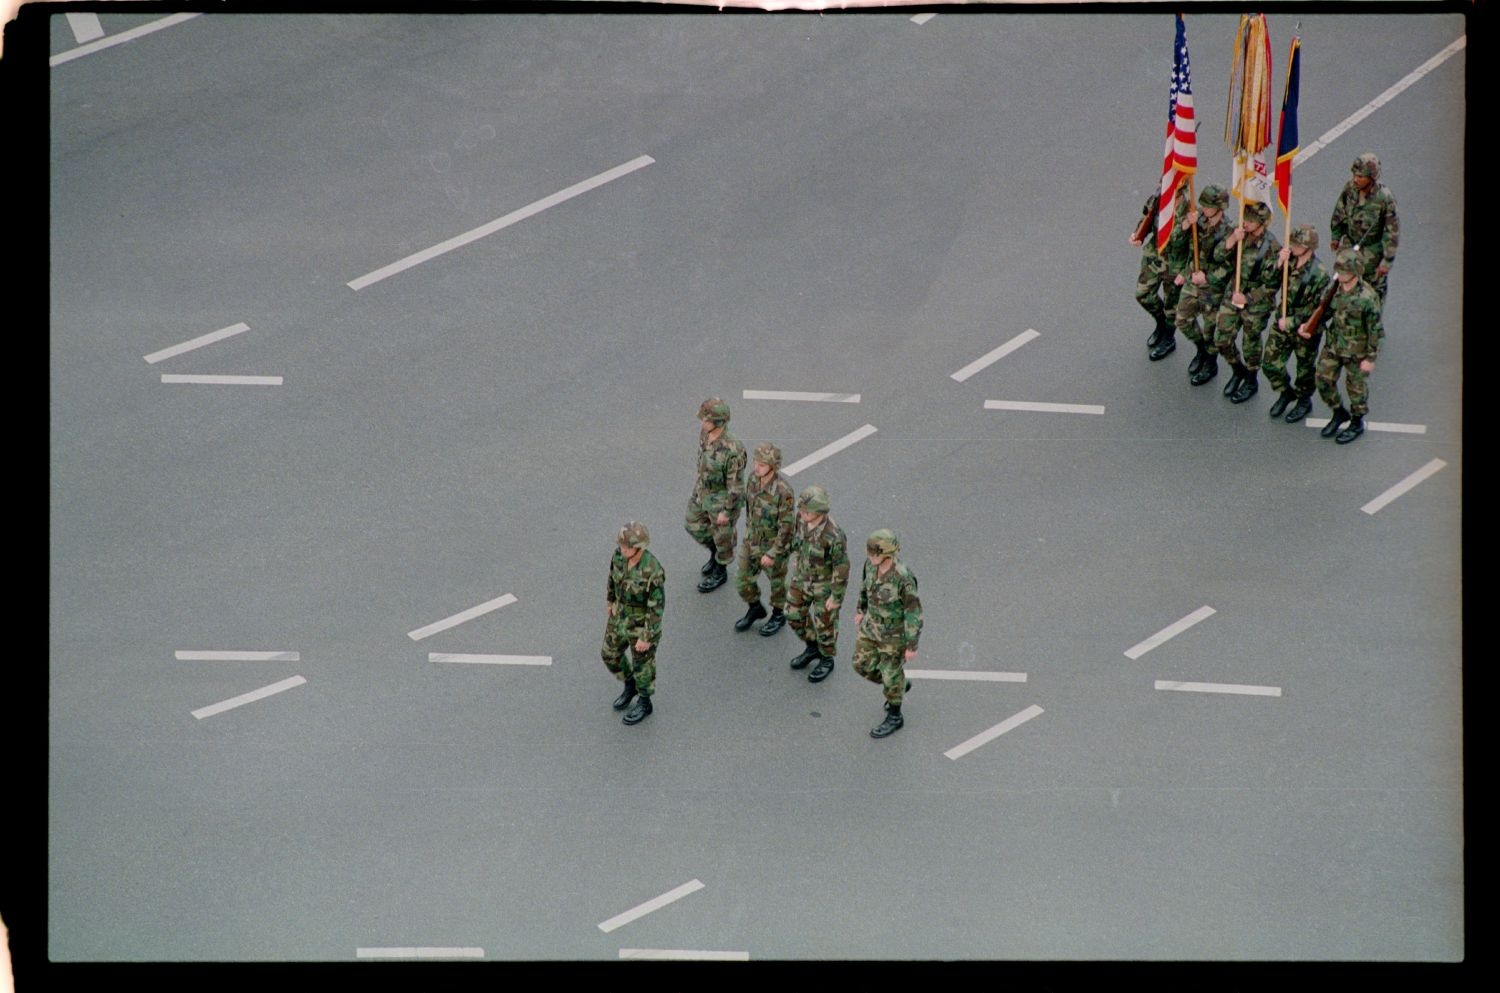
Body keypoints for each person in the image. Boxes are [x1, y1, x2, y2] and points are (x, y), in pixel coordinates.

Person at [853, 529, 923, 740]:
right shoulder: (870, 566)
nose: (870, 557)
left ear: (887, 553)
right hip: (871, 627)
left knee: (890, 673)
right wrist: (861, 609)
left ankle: (895, 715)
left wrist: (911, 645)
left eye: (874, 553)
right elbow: (864, 589)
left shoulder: (903, 577)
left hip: (893, 636)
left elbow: (913, 612)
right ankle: (899, 685)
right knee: (860, 664)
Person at [1212, 199, 1282, 404]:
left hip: (1256, 302)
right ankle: (1238, 370)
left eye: (1251, 220)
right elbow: (1217, 256)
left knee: (1251, 343)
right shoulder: (1238, 232)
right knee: (1222, 339)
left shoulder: (1272, 246)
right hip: (1233, 292)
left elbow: (1272, 285)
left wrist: (1249, 298)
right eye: (1245, 218)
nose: (1246, 223)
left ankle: (1251, 379)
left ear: (1262, 223)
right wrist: (1233, 240)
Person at [1314, 249, 1385, 444]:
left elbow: (1376, 332)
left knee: (1356, 390)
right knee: (1322, 379)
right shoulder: (1334, 289)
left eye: (1345, 270)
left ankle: (1356, 422)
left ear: (1356, 271)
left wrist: (1371, 359)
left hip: (1357, 352)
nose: (1342, 274)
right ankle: (1338, 412)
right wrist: (1308, 326)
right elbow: (1325, 311)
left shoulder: (1367, 298)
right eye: (1340, 270)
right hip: (1334, 345)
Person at [1264, 224, 1333, 422]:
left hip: (1305, 328)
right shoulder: (1288, 261)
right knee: (1270, 364)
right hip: (1283, 321)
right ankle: (1286, 392)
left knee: (1304, 370)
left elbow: (1320, 308)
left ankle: (1304, 400)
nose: (1293, 247)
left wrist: (1292, 322)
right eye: (1292, 243)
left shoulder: (1319, 273)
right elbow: (1268, 281)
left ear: (1309, 247)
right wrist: (1279, 262)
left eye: (1297, 244)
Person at [1167, 184, 1234, 381]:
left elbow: (1230, 266)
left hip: (1212, 287)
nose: (1204, 209)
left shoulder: (1228, 230)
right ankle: (1202, 350)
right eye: (1203, 205)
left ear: (1220, 207)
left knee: (1210, 327)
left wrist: (1208, 277)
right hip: (1192, 278)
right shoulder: (1198, 220)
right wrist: (1186, 224)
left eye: (1208, 206)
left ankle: (1211, 362)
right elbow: (1175, 241)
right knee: (1182, 319)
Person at [603, 522, 666, 726]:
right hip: (620, 616)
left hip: (642, 623)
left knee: (643, 665)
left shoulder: (652, 570)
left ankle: (645, 702)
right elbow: (612, 579)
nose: (622, 550)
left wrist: (646, 637)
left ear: (639, 547)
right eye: (621, 546)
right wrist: (610, 600)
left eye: (627, 547)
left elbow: (656, 607)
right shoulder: (619, 557)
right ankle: (630, 684)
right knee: (609, 654)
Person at [785, 484, 848, 684]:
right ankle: (812, 647)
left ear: (819, 512)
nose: (801, 513)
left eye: (806, 510)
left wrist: (836, 597)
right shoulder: (801, 521)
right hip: (802, 578)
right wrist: (796, 555)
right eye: (801, 509)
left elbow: (841, 566)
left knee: (825, 626)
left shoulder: (834, 535)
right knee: (792, 613)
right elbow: (798, 540)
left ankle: (827, 658)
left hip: (824, 586)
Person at [684, 397, 746, 593]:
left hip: (722, 498)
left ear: (717, 422)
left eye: (706, 419)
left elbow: (736, 486)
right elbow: (702, 456)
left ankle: (721, 569)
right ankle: (715, 552)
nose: (702, 422)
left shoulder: (732, 449)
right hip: (703, 490)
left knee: (723, 537)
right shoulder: (705, 433)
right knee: (692, 524)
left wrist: (727, 512)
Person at [734, 442, 796, 636]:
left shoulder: (783, 491)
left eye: (762, 464)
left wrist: (773, 553)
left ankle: (779, 614)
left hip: (773, 545)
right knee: (742, 580)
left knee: (777, 584)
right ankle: (755, 608)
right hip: (752, 540)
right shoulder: (753, 479)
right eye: (756, 462)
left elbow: (787, 527)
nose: (756, 467)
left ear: (773, 466)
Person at [1130, 184, 1191, 358]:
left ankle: (1168, 338)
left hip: (1175, 264)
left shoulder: (1190, 212)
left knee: (1172, 307)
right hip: (1154, 256)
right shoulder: (1158, 198)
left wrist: (1186, 272)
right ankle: (1161, 323)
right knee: (1143, 295)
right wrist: (1138, 234)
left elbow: (1196, 249)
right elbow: (1147, 219)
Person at [1329, 152, 1398, 301]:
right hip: (1349, 247)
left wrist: (1386, 262)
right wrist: (1336, 236)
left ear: (1371, 178)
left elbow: (1391, 233)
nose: (1355, 179)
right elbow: (1339, 213)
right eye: (1354, 175)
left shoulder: (1385, 199)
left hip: (1372, 253)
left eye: (1360, 176)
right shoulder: (1349, 189)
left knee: (1371, 295)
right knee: (1342, 288)